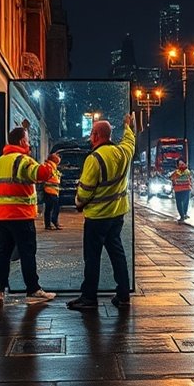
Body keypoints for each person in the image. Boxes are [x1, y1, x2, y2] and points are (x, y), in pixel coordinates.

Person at [66, 112, 136, 310]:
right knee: (117, 253)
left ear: (96, 136)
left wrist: (78, 203)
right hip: (117, 215)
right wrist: (128, 125)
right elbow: (130, 141)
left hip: (97, 217)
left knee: (92, 258)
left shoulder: (94, 159)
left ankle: (89, 298)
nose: (90, 138)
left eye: (91, 134)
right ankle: (123, 295)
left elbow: (85, 192)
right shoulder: (123, 152)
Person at [0, 126, 57, 305]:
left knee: (2, 254)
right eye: (27, 139)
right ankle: (32, 290)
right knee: (27, 253)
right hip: (21, 216)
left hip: (2, 218)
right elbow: (41, 174)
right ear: (21, 141)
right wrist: (52, 162)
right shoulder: (23, 161)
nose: (29, 142)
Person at [43, 153, 63, 230]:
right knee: (54, 208)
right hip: (50, 190)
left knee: (49, 208)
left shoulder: (53, 166)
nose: (59, 158)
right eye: (57, 156)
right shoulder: (50, 166)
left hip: (52, 190)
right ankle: (53, 221)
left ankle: (48, 224)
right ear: (53, 159)